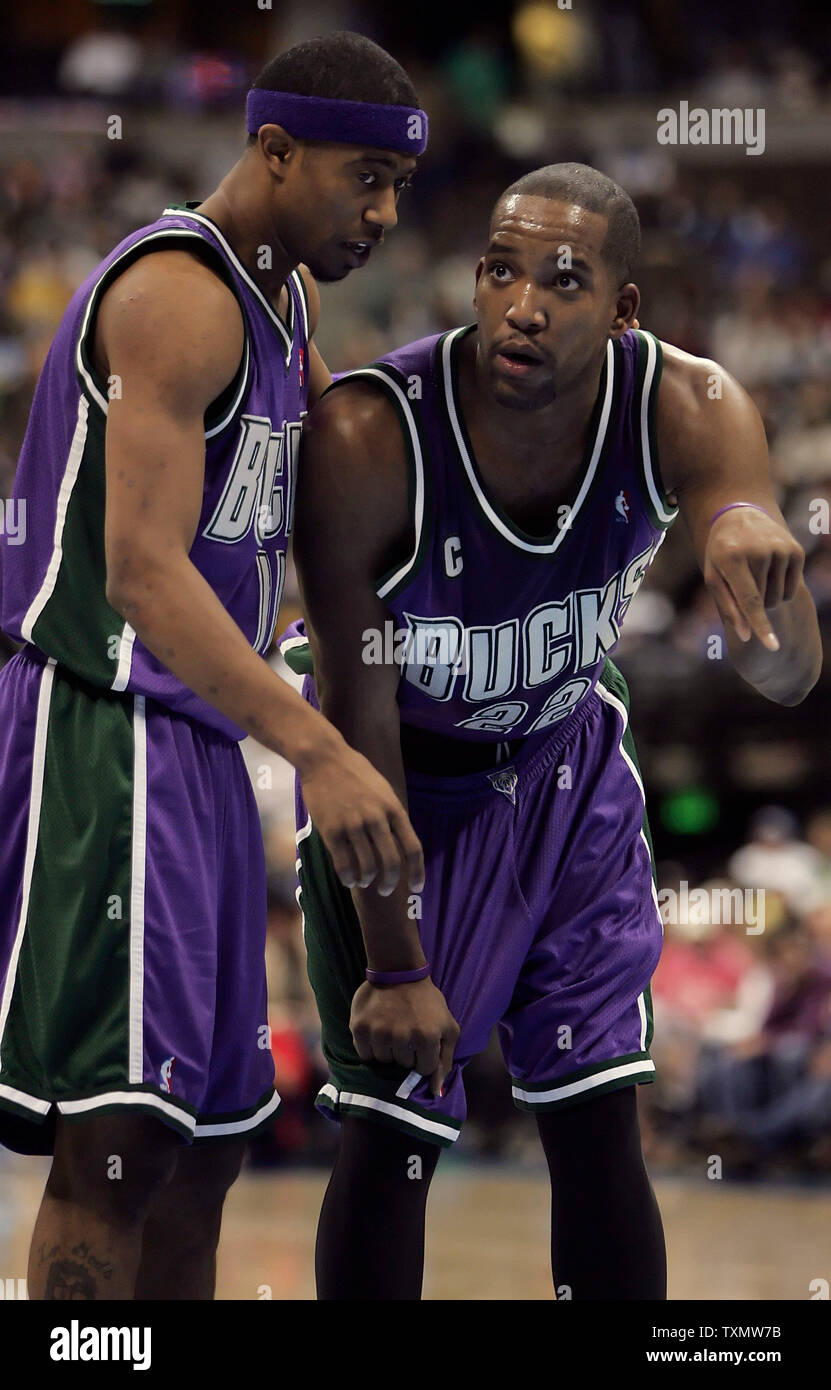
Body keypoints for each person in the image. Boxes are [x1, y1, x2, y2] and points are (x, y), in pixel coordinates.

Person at [279, 162, 823, 1300]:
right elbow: (356, 715)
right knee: (396, 1131)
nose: (522, 303)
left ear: (625, 312)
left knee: (598, 1119)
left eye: (564, 280)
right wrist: (396, 962)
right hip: (402, 788)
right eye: (499, 270)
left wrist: (756, 558)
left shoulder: (694, 405)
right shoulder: (368, 439)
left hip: (564, 762)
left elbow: (789, 681)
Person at [0, 30, 427, 1300]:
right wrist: (319, 745)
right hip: (109, 724)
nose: (387, 213)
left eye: (399, 185)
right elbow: (141, 571)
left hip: (195, 738)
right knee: (119, 1145)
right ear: (275, 151)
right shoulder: (179, 295)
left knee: (204, 1151)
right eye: (364, 178)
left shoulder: (284, 302)